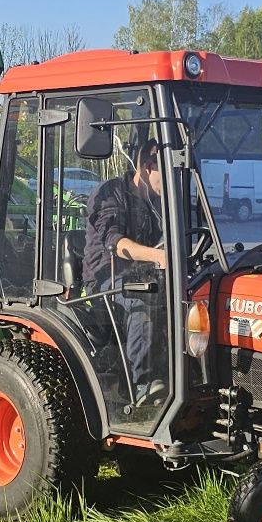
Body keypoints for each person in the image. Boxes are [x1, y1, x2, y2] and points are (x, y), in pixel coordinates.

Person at [82, 139, 167, 408]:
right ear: (147, 166)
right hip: (105, 279)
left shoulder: (159, 202)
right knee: (142, 295)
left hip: (145, 274)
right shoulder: (110, 193)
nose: (170, 184)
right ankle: (142, 383)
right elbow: (115, 244)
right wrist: (159, 256)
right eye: (167, 175)